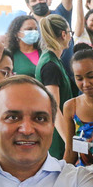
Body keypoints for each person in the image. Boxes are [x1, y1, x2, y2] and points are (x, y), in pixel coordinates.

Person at [37, 15, 74, 160]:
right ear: (64, 34)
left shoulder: (52, 60)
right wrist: (69, 145)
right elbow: (54, 108)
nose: (71, 38)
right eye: (70, 33)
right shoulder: (50, 65)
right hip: (58, 140)